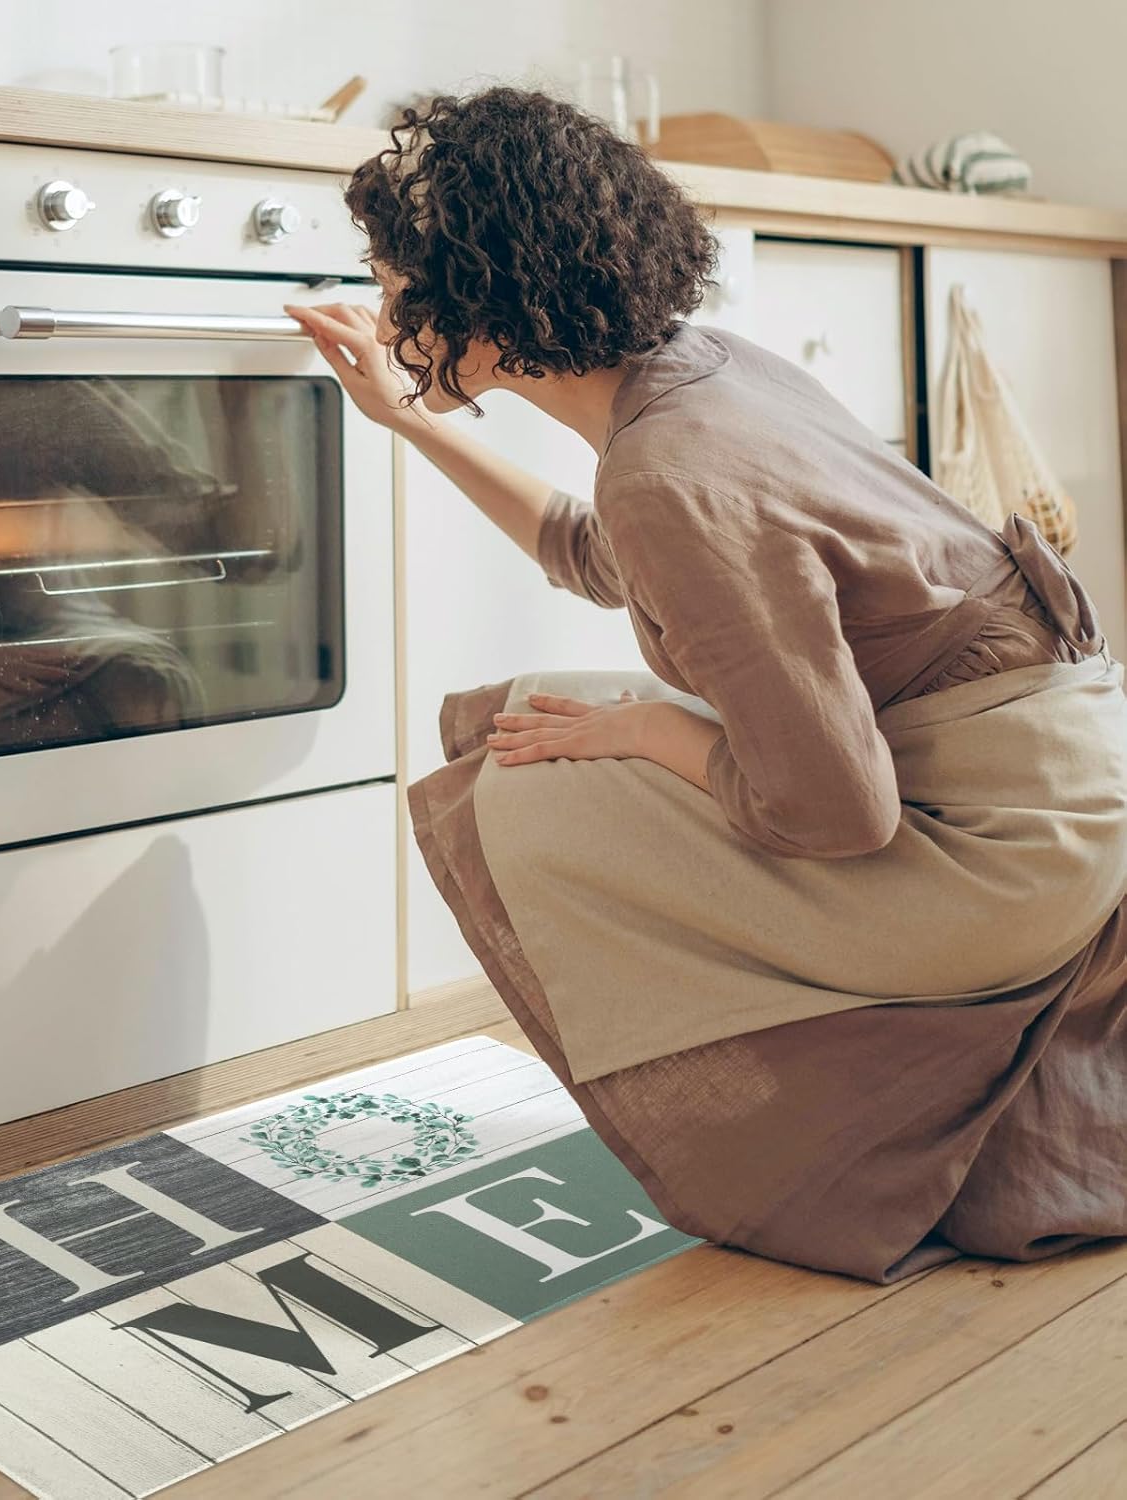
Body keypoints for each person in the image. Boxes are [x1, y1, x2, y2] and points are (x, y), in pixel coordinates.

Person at [284, 87, 1127, 1283]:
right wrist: (407, 420)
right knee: (539, 719)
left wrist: (645, 730)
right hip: (1070, 792)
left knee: (525, 783)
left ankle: (784, 1142)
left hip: (1000, 861)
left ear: (483, 301)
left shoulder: (667, 470)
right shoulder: (706, 372)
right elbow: (595, 553)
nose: (388, 319)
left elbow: (837, 810)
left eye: (398, 289)